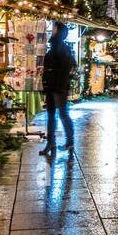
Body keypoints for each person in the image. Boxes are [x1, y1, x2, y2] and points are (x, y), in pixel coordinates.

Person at [40, 21, 75, 155]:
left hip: (58, 87)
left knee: (62, 114)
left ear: (59, 31)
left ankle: (70, 142)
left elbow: (67, 68)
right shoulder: (54, 46)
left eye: (54, 28)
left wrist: (59, 83)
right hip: (52, 86)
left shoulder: (62, 48)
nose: (52, 30)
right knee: (51, 115)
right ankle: (51, 143)